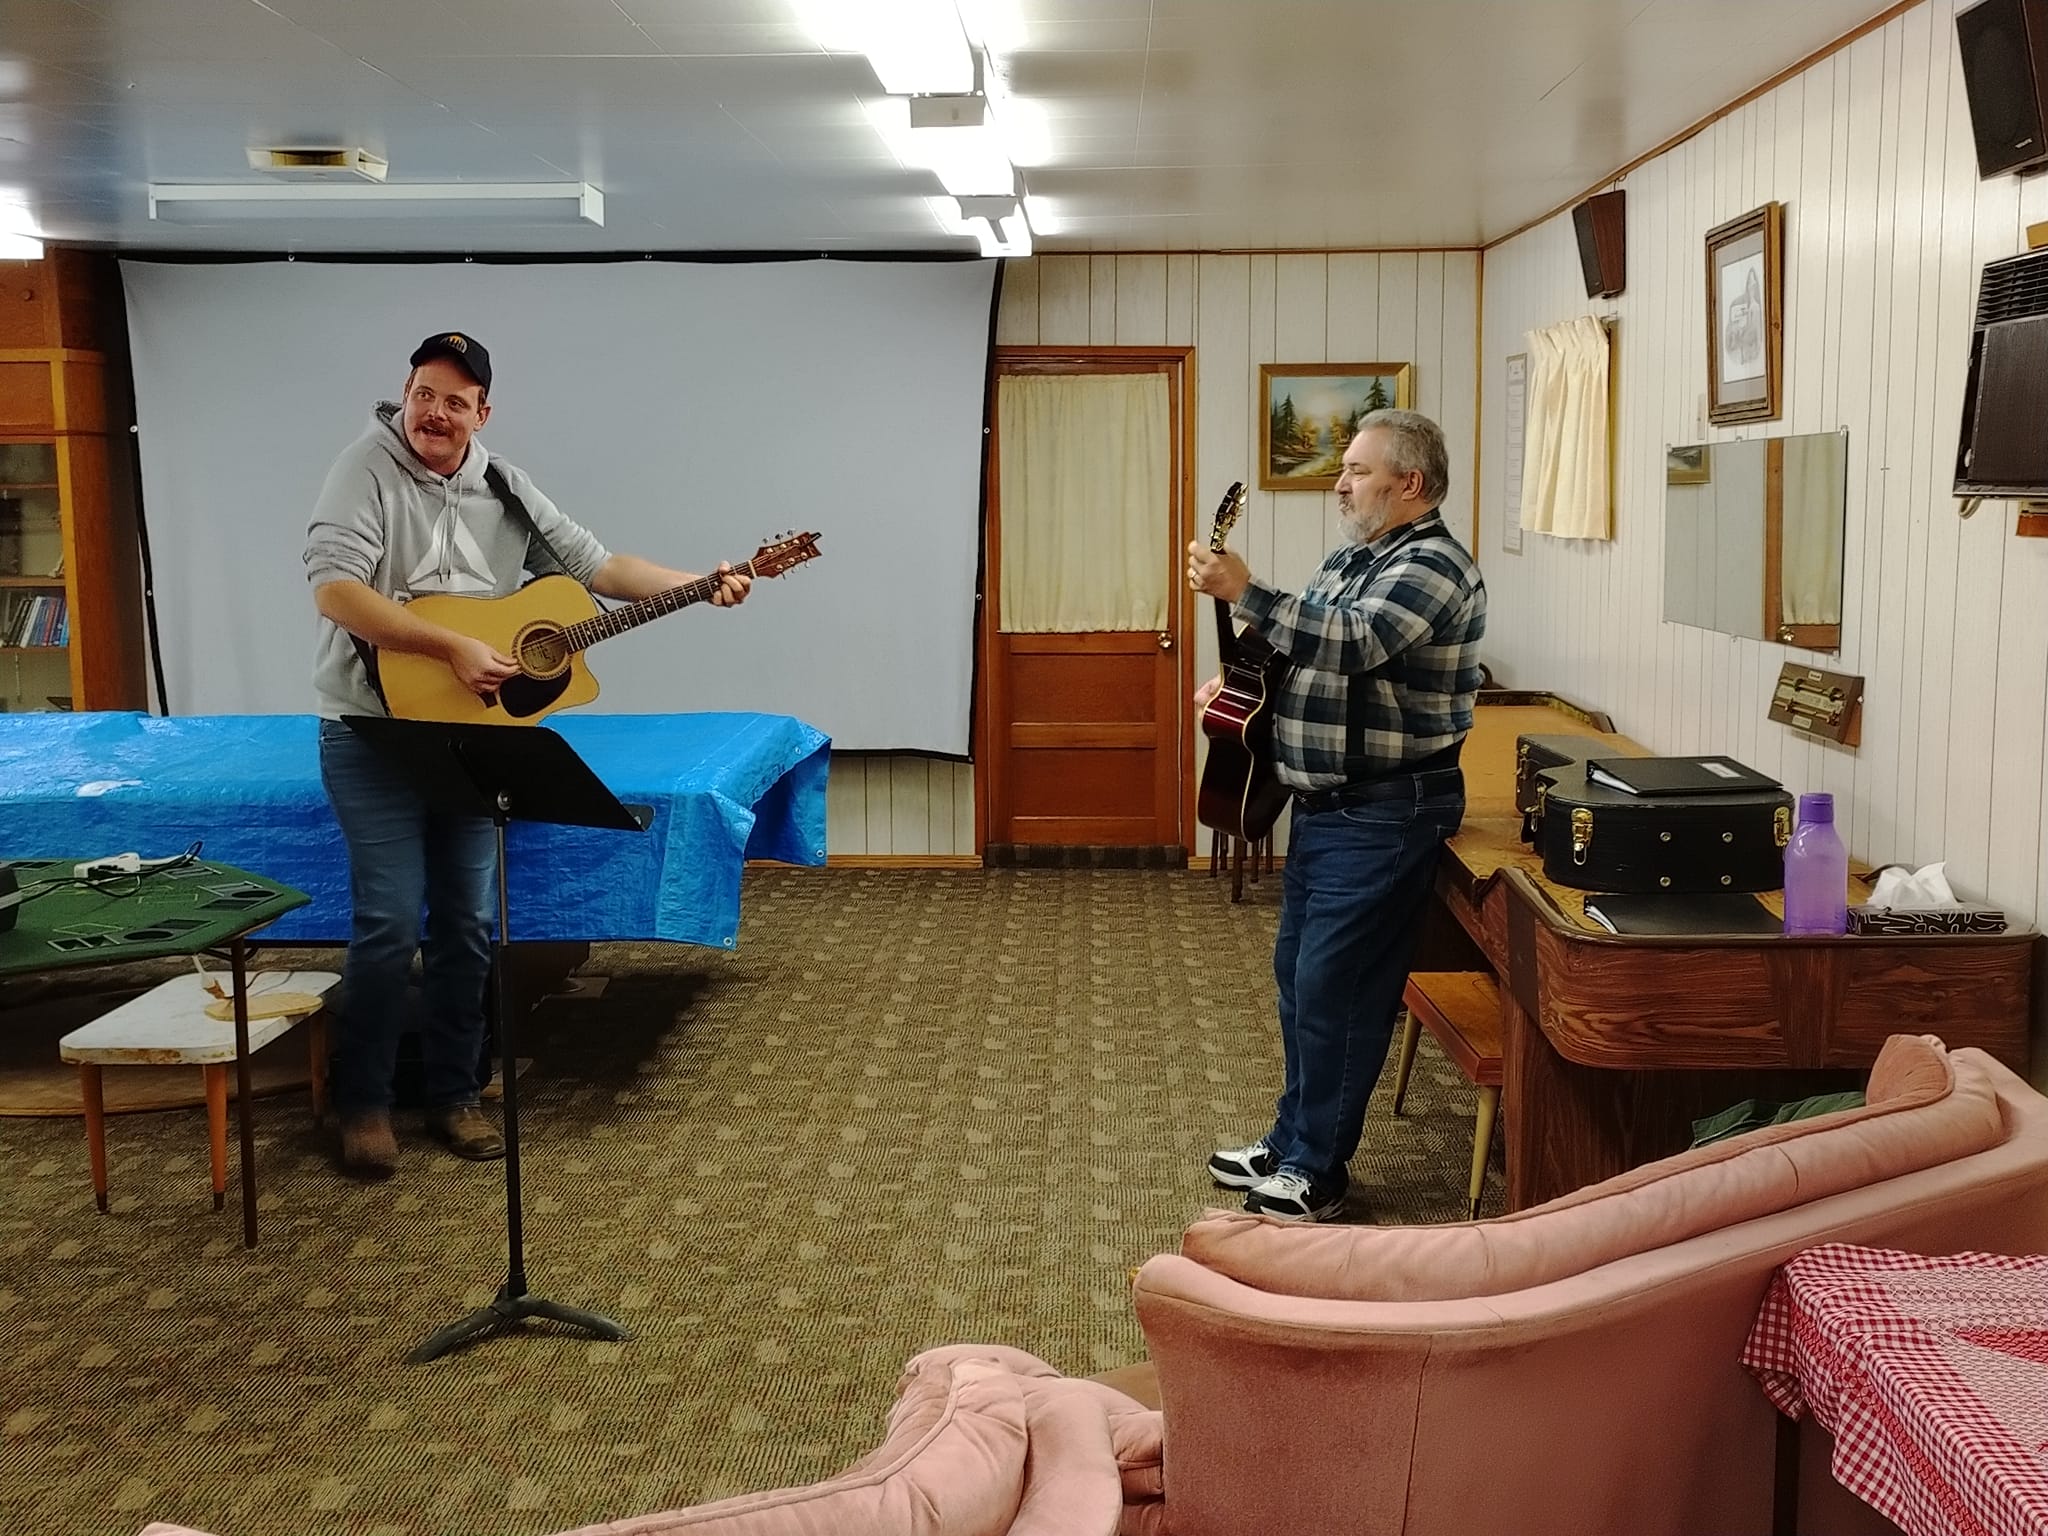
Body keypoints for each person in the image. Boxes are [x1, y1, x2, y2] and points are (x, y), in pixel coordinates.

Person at [304, 330, 751, 1177]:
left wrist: (700, 583)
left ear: (483, 412)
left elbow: (600, 566)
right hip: (372, 730)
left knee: (470, 924)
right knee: (389, 923)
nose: (436, 412)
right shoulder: (362, 468)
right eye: (424, 394)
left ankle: (455, 1095)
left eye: (456, 400)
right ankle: (361, 1104)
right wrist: (448, 649)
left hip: (477, 735)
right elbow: (336, 590)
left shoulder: (504, 485)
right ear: (406, 393)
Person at [1186, 408, 1486, 1221]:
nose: (1340, 484)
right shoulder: (1354, 556)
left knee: (1339, 987)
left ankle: (1318, 1170)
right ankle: (1289, 1141)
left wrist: (1245, 590)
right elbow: (1299, 651)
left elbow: (1355, 642)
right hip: (1325, 806)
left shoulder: (1434, 566)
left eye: (1356, 470)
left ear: (1410, 483)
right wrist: (1240, 685)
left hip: (1386, 809)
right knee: (1299, 981)